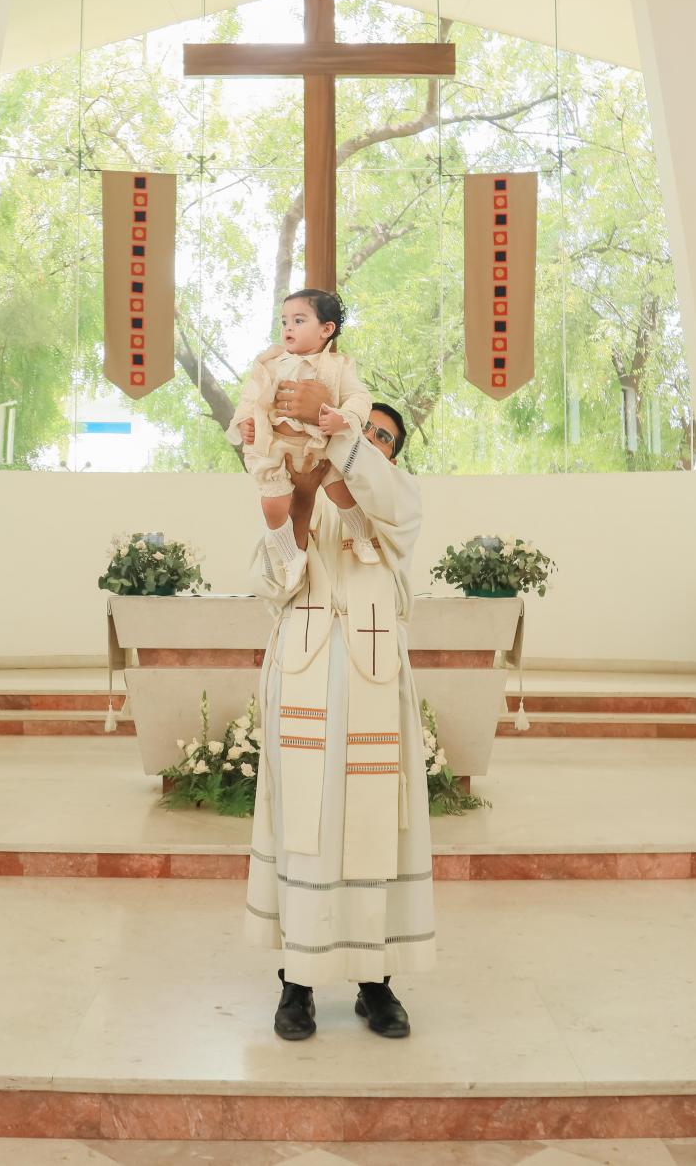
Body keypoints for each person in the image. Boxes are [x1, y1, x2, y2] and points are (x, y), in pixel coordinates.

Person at [243, 392, 433, 1042]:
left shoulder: (400, 508)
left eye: (383, 437)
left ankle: (375, 983)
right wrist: (298, 499)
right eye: (365, 429)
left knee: (373, 830)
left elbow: (367, 497)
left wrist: (343, 455)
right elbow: (274, 582)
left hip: (372, 689)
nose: (370, 441)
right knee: (306, 827)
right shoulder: (308, 500)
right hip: (305, 685)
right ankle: (296, 982)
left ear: (391, 457)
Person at [229, 290, 377, 592]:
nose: (288, 328)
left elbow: (359, 397)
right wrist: (246, 423)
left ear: (326, 329)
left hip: (319, 447)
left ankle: (362, 535)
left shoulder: (339, 366)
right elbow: (250, 399)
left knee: (342, 495)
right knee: (272, 505)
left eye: (298, 320)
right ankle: (290, 556)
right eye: (284, 321)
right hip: (278, 448)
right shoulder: (269, 364)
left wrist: (343, 417)